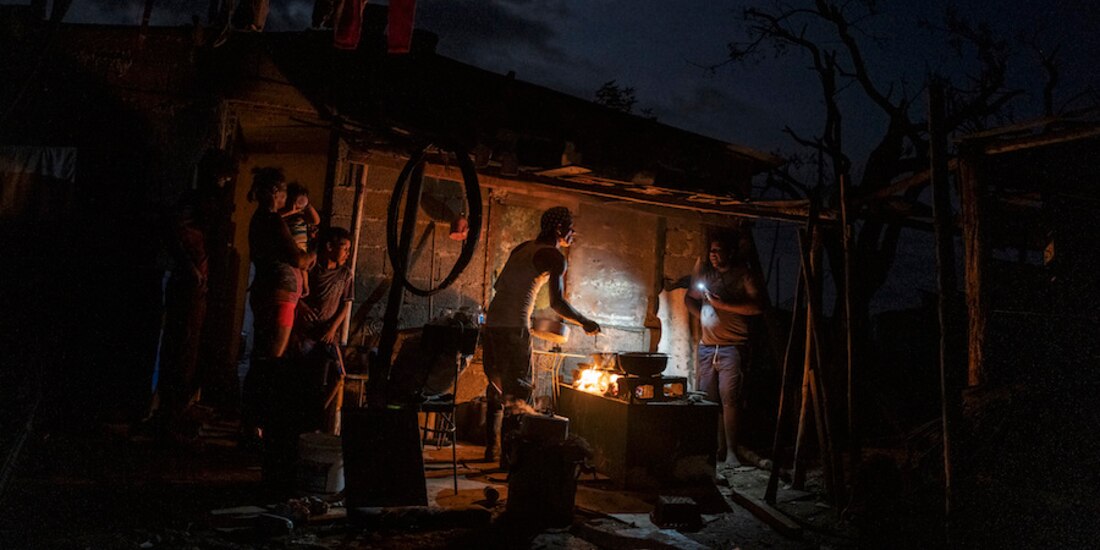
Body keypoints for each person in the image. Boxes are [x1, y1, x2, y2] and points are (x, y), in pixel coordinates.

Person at [482, 206, 601, 466]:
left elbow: (499, 286)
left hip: (492, 326)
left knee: (496, 386)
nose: (573, 232)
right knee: (519, 392)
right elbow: (558, 304)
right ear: (558, 229)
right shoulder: (555, 257)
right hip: (514, 328)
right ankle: (511, 461)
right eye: (570, 227)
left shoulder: (522, 248)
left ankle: (491, 449)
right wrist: (584, 321)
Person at [241, 167, 313, 445]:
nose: (286, 195)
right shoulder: (271, 220)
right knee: (270, 360)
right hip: (279, 295)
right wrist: (313, 254)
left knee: (264, 358)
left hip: (270, 292)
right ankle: (255, 426)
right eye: (283, 191)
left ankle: (253, 424)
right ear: (275, 192)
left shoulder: (262, 219)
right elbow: (298, 259)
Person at [685, 230, 765, 470]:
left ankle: (731, 452)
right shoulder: (707, 276)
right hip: (707, 348)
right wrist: (703, 315)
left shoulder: (744, 276)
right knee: (707, 400)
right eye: (711, 251)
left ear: (730, 252)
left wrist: (723, 305)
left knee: (730, 400)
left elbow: (758, 306)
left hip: (732, 347)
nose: (713, 255)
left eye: (718, 251)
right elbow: (690, 298)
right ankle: (712, 449)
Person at [279, 182, 320, 300]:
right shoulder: (284, 215)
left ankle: (305, 288)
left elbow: (316, 221)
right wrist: (291, 211)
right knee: (300, 267)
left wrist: (307, 205)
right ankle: (303, 289)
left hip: (302, 250)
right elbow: (277, 217)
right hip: (291, 248)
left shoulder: (301, 217)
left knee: (304, 270)